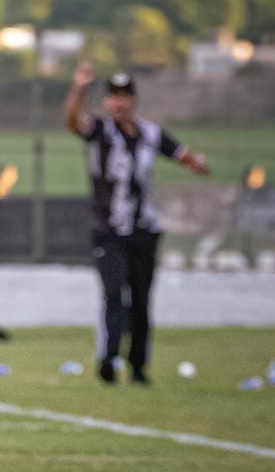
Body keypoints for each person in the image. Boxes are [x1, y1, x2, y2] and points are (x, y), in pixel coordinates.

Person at [65, 62, 209, 384]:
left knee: (142, 299)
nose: (119, 103)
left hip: (144, 229)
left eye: (124, 96)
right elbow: (73, 121)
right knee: (115, 293)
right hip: (108, 229)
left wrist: (197, 162)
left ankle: (138, 366)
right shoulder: (100, 131)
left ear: (133, 100)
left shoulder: (150, 133)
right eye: (113, 96)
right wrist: (79, 89)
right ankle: (108, 358)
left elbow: (180, 153)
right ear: (106, 101)